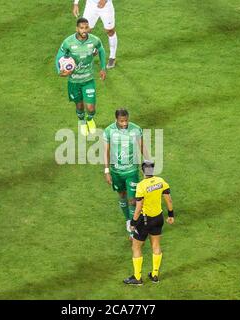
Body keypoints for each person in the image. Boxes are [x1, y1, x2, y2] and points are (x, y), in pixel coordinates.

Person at [123, 161, 175, 285]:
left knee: (136, 246)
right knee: (156, 246)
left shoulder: (141, 186)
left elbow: (138, 207)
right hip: (158, 218)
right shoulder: (161, 181)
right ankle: (155, 275)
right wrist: (171, 215)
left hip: (145, 221)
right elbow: (168, 199)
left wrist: (133, 223)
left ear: (142, 171)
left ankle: (137, 278)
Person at [56, 17, 107, 136]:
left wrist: (103, 68)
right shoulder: (68, 42)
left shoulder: (94, 40)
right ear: (77, 29)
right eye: (82, 28)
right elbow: (59, 56)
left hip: (88, 80)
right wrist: (60, 71)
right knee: (79, 106)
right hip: (74, 81)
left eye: (86, 27)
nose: (84, 30)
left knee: (90, 108)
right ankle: (82, 121)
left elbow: (101, 50)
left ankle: (89, 119)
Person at [103, 108, 147, 239]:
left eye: (126, 120)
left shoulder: (136, 129)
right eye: (121, 121)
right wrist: (107, 171)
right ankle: (128, 219)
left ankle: (133, 229)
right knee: (122, 194)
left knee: (133, 200)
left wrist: (148, 167)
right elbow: (105, 151)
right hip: (116, 172)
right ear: (116, 119)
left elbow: (142, 147)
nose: (124, 123)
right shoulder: (109, 131)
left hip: (131, 171)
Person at [72, 0, 118, 68]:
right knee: (84, 31)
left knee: (110, 31)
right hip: (91, 5)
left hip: (106, 7)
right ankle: (82, 56)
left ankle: (112, 57)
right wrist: (76, 4)